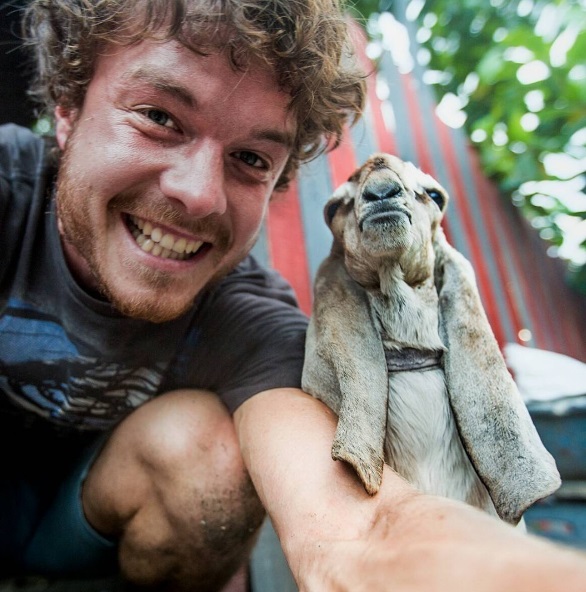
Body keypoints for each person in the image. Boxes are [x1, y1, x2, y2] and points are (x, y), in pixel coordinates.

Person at [1, 1, 586, 591]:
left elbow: (350, 533)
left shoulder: (252, 323)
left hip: (74, 530)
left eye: (251, 158)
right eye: (159, 116)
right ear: (69, 109)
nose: (200, 194)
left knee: (209, 451)